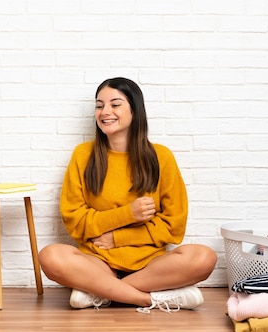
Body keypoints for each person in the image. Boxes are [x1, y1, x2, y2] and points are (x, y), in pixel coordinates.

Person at [38, 77, 217, 313]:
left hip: (150, 266)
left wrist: (117, 239)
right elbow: (75, 222)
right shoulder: (83, 155)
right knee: (50, 256)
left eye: (115, 104)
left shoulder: (161, 157)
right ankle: (148, 299)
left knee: (204, 257)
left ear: (135, 109)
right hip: (98, 262)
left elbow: (174, 227)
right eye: (99, 105)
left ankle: (99, 293)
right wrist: (127, 214)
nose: (105, 112)